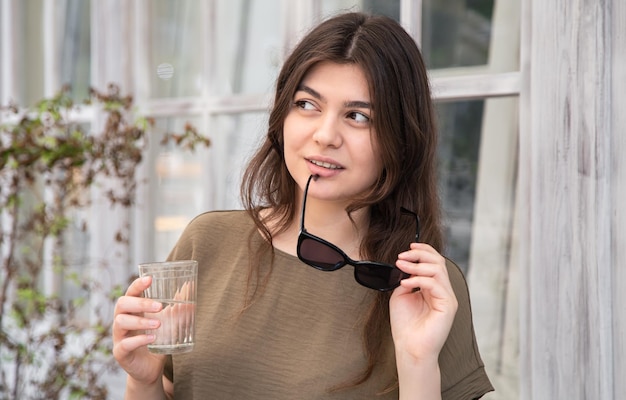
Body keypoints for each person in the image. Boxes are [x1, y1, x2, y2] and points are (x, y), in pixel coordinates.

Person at [113, 11, 493, 400]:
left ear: (400, 138)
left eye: (358, 116)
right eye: (307, 105)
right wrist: (142, 381)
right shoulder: (207, 242)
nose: (325, 135)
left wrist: (417, 363)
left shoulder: (424, 288)